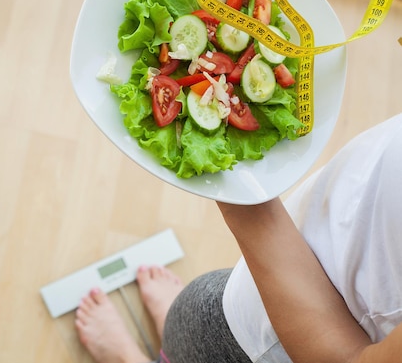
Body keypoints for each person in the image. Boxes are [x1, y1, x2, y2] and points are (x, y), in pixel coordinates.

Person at [75, 112, 402, 363]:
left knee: (191, 334)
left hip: (272, 346)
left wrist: (245, 201)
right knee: (188, 323)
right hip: (276, 272)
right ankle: (170, 340)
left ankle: (129, 357)